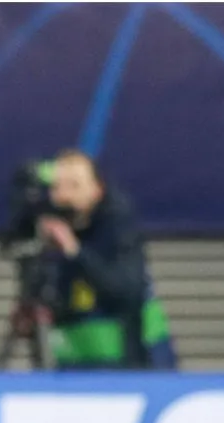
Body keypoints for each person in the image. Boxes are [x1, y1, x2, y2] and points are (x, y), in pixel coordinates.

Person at [37, 149, 177, 370]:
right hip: (75, 368)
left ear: (97, 189)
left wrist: (75, 251)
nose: (64, 196)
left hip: (137, 364)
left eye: (74, 186)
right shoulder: (50, 234)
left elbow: (123, 291)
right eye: (57, 187)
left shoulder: (117, 226)